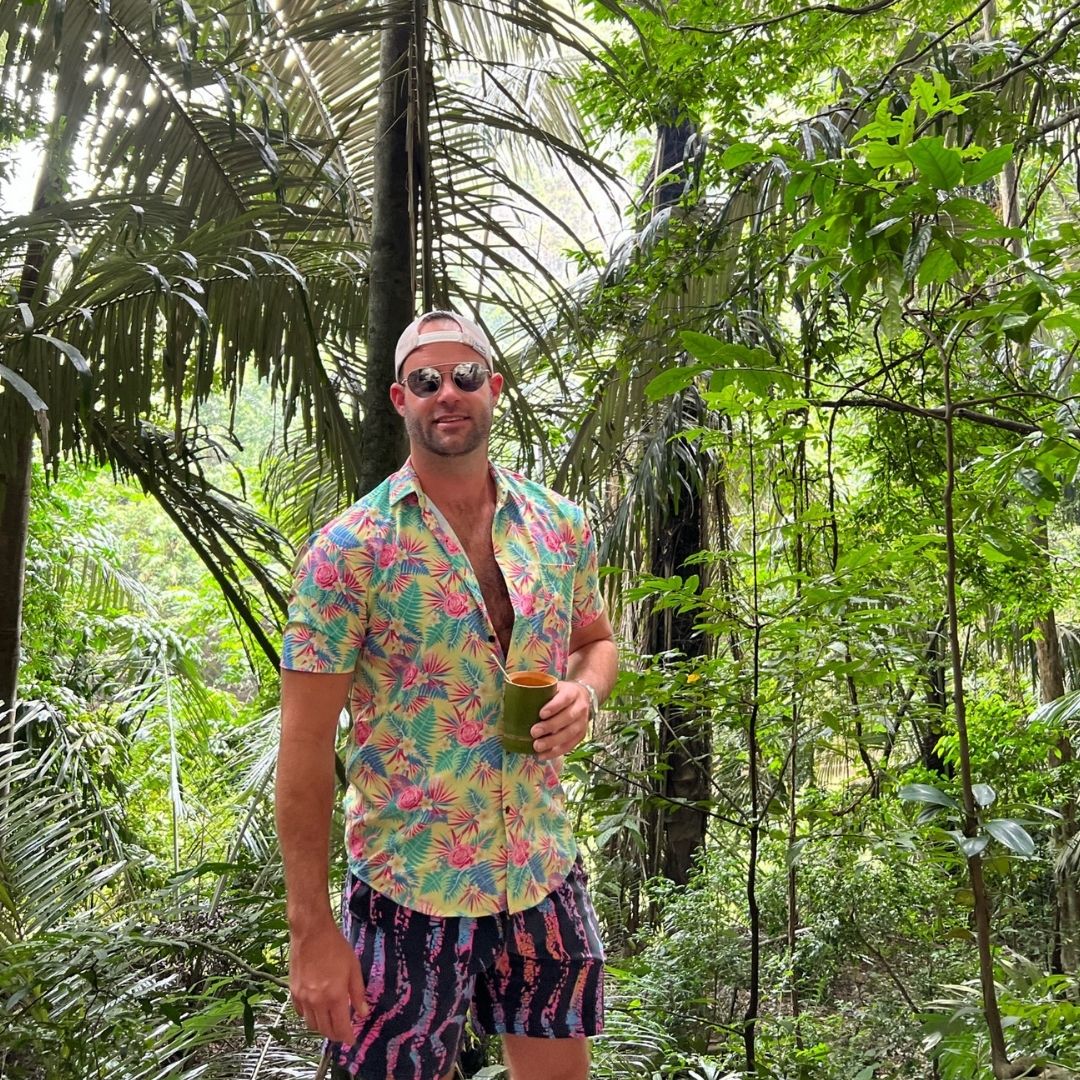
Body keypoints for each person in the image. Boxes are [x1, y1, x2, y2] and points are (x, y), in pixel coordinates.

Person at [275, 310, 618, 1080]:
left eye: (465, 376)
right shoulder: (347, 551)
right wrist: (310, 931)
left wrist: (585, 696)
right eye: (426, 382)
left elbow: (597, 641)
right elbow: (301, 750)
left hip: (540, 868)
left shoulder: (559, 527)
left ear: (494, 387)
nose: (447, 394)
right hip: (408, 887)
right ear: (401, 398)